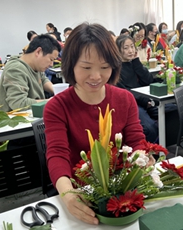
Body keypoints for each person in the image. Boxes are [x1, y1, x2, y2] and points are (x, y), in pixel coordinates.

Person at [44, 22, 146, 225]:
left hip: (122, 192)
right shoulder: (57, 107)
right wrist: (68, 195)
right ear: (71, 64)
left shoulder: (124, 99)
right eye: (86, 67)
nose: (96, 76)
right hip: (83, 193)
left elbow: (137, 142)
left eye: (105, 67)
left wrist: (141, 160)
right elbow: (57, 155)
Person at [0, 34, 61, 112]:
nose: (51, 64)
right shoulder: (16, 69)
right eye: (51, 59)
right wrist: (50, 102)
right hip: (18, 120)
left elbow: (43, 79)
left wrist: (58, 92)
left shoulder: (35, 65)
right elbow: (18, 103)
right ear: (38, 52)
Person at [115, 35, 157, 142]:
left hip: (146, 99)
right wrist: (145, 101)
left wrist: (136, 62)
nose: (130, 51)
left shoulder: (134, 63)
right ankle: (149, 152)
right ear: (118, 50)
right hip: (133, 103)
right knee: (150, 128)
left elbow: (148, 81)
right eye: (126, 48)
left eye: (132, 47)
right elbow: (124, 93)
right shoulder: (116, 69)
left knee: (173, 111)